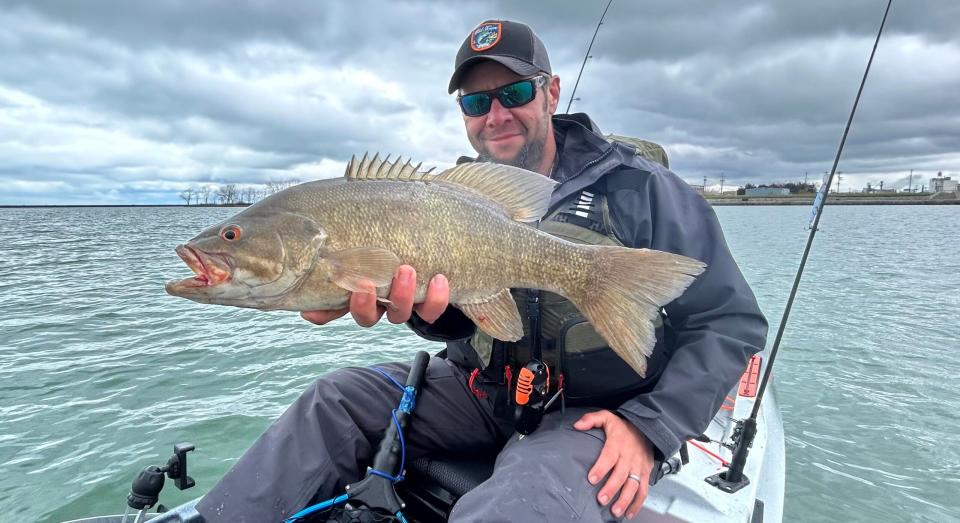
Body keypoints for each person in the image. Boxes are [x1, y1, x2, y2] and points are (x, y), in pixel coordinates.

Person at [195, 19, 767, 522]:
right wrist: (428, 316)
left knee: (523, 498)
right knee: (333, 399)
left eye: (514, 92)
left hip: (592, 415)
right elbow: (467, 320)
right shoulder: (455, 195)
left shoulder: (643, 188)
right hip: (476, 390)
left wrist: (652, 428)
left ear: (552, 93)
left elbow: (730, 322)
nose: (494, 115)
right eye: (474, 103)